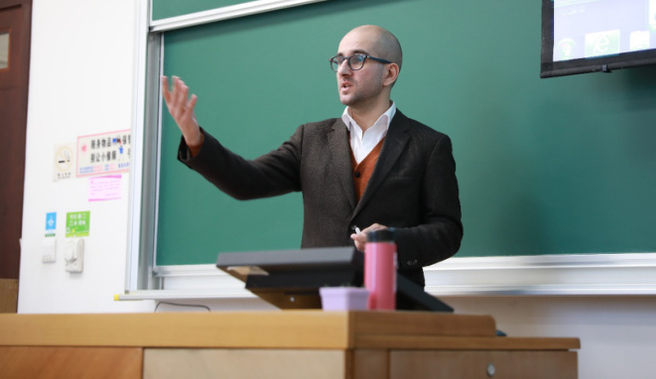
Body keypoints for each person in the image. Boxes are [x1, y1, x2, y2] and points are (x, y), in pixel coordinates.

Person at [161, 25, 462, 288]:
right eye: (339, 60)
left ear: (390, 73)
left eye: (357, 59)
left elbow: (447, 232)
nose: (343, 70)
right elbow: (245, 181)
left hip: (394, 306)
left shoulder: (428, 145)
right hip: (318, 303)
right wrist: (195, 138)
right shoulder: (311, 139)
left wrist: (394, 241)